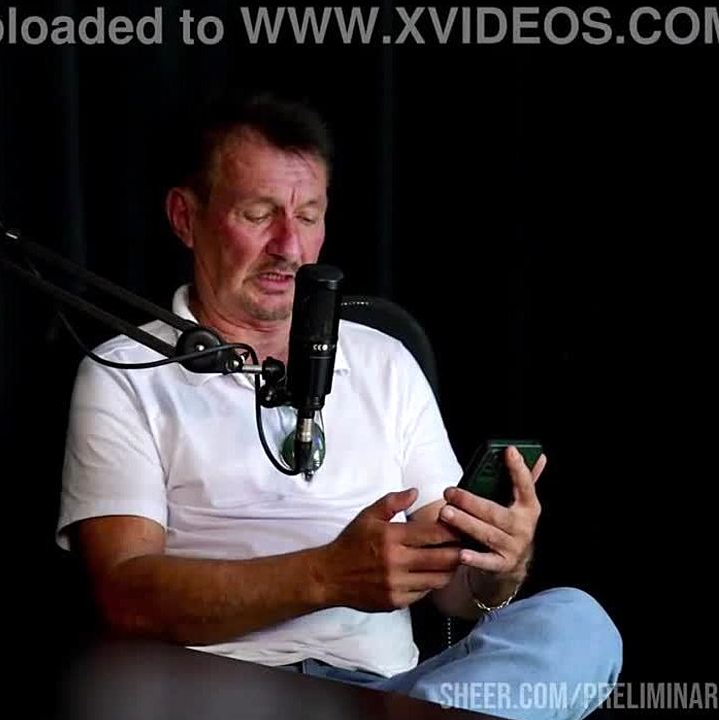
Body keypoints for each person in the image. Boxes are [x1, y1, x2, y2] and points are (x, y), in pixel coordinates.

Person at [55, 92, 621, 720]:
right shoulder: (125, 372)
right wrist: (326, 575)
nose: (289, 247)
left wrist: (498, 564)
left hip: (390, 696)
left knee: (577, 623)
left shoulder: (384, 361)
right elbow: (126, 596)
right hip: (223, 690)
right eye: (258, 213)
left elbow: (459, 593)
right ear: (186, 218)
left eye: (308, 215)